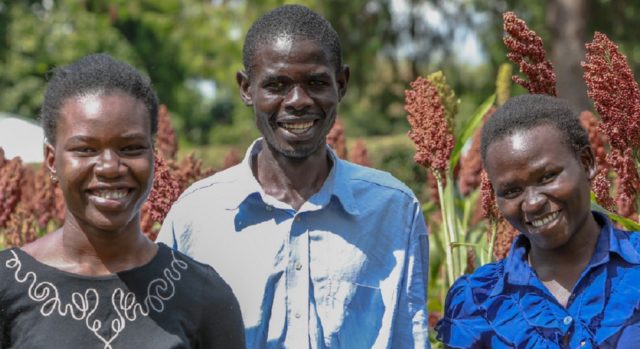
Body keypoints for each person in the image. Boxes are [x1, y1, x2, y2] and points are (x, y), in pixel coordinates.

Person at [157, 4, 430, 348]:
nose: (298, 101)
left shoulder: (393, 210)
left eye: (316, 82)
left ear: (341, 84)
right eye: (276, 85)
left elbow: (410, 337)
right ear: (246, 88)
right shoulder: (195, 217)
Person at [0, 53, 245, 348]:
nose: (109, 167)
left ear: (154, 157)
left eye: (130, 148)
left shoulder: (203, 294)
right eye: (86, 150)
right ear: (52, 161)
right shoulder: (7, 285)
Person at [435, 94, 640, 348]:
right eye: (511, 191)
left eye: (547, 177)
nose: (532, 203)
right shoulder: (477, 302)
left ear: (587, 163)